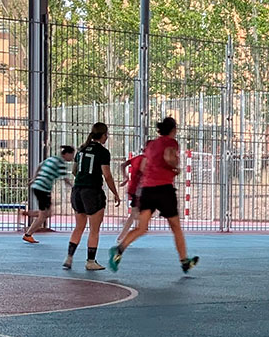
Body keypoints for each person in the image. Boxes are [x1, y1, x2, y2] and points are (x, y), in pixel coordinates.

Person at [108, 117, 199, 274]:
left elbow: (144, 167)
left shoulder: (151, 145)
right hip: (164, 189)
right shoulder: (171, 143)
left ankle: (119, 249)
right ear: (173, 129)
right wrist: (175, 167)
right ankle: (184, 260)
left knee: (141, 228)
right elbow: (169, 158)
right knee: (176, 227)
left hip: (147, 189)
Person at [64, 122, 120, 271]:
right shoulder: (103, 152)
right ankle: (90, 261)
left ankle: (69, 257)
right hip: (92, 192)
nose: (107, 137)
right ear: (102, 135)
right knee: (94, 229)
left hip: (77, 191)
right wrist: (115, 193)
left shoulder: (81, 150)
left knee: (79, 227)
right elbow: (107, 175)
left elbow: (75, 171)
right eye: (106, 134)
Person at [22, 145, 75, 243]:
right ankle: (28, 234)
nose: (72, 158)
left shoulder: (52, 159)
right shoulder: (61, 163)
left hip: (38, 187)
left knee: (49, 213)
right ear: (67, 154)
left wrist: (34, 178)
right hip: (43, 189)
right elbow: (65, 179)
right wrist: (74, 187)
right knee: (43, 215)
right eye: (72, 155)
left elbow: (39, 166)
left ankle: (30, 214)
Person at [115, 148, 148, 246]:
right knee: (137, 215)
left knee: (137, 214)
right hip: (139, 190)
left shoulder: (137, 158)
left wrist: (125, 177)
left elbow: (123, 164)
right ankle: (122, 237)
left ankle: (122, 235)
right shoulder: (146, 160)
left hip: (134, 189)